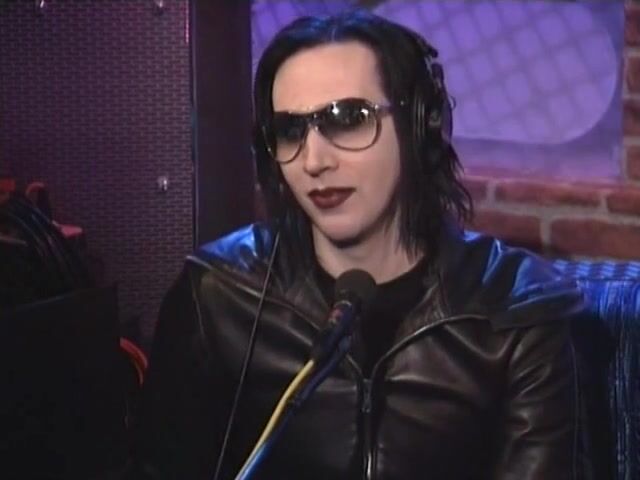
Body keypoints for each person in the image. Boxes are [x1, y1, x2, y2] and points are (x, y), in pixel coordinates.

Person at [130, 10, 586, 480]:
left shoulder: (517, 313)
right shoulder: (218, 295)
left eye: (347, 119)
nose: (314, 161)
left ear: (420, 126)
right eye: (290, 130)